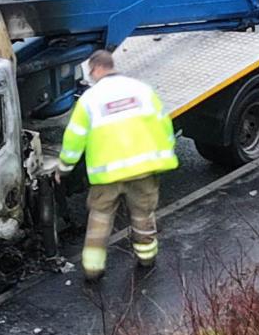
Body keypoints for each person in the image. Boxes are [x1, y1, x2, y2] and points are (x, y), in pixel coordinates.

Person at [55, 49, 178, 281]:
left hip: (107, 175)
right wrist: (165, 156)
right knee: (143, 217)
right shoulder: (142, 90)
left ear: (96, 69)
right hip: (143, 170)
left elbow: (74, 138)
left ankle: (93, 270)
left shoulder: (90, 100)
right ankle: (147, 259)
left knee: (100, 220)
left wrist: (64, 168)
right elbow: (164, 125)